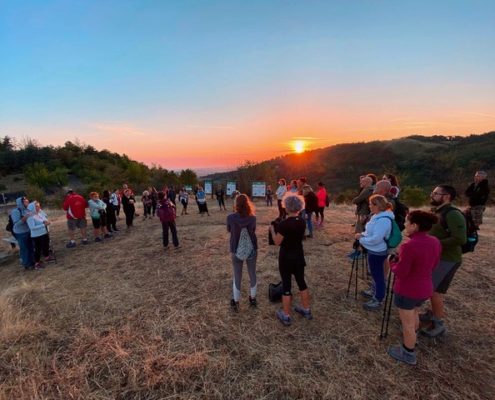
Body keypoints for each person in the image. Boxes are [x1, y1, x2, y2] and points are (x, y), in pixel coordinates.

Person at [387, 211, 441, 365]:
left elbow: (401, 272)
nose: (405, 225)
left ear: (415, 226)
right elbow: (434, 264)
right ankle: (413, 339)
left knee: (407, 323)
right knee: (415, 313)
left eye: (407, 222)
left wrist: (392, 262)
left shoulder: (409, 246)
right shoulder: (435, 241)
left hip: (407, 290)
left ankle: (408, 352)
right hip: (425, 288)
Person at [421, 185, 466, 337]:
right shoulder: (438, 211)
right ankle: (432, 314)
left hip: (448, 259)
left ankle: (438, 324)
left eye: (435, 193)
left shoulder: (453, 214)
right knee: (432, 289)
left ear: (446, 196)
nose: (432, 195)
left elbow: (460, 238)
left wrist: (435, 243)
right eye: (432, 192)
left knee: (434, 291)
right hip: (438, 257)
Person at [270, 194, 312, 326]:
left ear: (286, 207)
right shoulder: (302, 221)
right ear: (299, 206)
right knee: (301, 282)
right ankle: (306, 310)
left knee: (286, 285)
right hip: (299, 256)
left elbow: (277, 242)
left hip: (286, 258)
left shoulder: (283, 224)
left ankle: (286, 315)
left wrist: (272, 230)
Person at [356, 194, 394, 311]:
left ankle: (378, 299)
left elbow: (376, 239)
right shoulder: (377, 216)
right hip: (374, 250)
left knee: (378, 276)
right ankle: (374, 291)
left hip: (378, 251)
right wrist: (362, 235)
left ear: (377, 205)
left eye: (370, 204)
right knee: (375, 274)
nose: (369, 206)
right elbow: (371, 233)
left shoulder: (383, 220)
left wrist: (361, 239)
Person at [227, 194, 258, 312]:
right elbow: (253, 231)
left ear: (236, 204)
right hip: (251, 249)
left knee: (237, 275)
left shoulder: (230, 217)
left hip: (235, 248)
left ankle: (236, 302)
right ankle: (253, 299)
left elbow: (229, 230)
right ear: (247, 204)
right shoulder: (252, 218)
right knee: (252, 273)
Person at [26, 201, 54, 269]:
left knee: (46, 246)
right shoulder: (30, 216)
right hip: (37, 236)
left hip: (44, 233)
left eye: (39, 206)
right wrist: (43, 225)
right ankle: (37, 264)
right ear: (32, 207)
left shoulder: (39, 214)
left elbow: (45, 220)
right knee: (38, 249)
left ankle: (47, 257)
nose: (39, 207)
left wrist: (48, 222)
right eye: (37, 206)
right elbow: (32, 227)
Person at [11, 196, 35, 269]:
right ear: (21, 203)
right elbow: (16, 223)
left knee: (31, 247)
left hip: (28, 231)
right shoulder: (16, 211)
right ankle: (27, 264)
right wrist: (25, 217)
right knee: (24, 248)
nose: (27, 201)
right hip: (20, 233)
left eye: (27, 200)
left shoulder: (27, 209)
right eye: (25, 201)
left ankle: (33, 262)